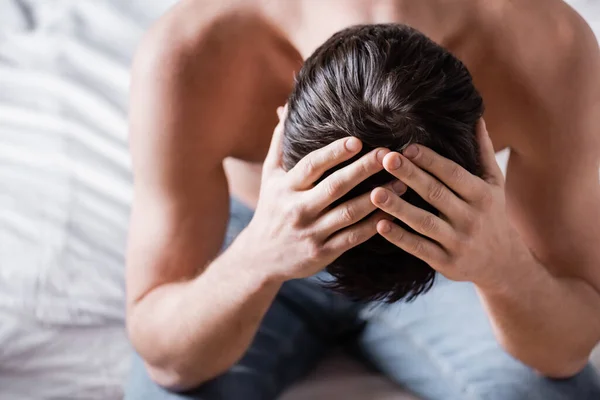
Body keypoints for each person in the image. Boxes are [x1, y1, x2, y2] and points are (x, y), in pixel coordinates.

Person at [124, 0, 600, 399]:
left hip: (450, 251)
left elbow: (567, 348)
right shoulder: (195, 52)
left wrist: (504, 267)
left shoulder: (544, 47)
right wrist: (257, 259)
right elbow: (167, 360)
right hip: (264, 235)